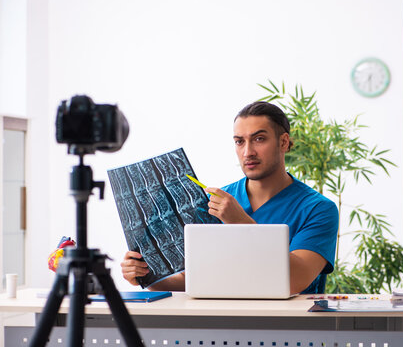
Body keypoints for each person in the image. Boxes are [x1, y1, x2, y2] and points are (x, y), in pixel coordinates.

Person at [121, 101, 339, 294]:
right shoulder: (212, 203)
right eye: (239, 142)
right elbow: (193, 280)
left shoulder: (318, 209)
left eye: (259, 139)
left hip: (291, 331)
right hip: (222, 328)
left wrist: (241, 223)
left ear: (283, 142)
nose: (248, 152)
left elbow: (294, 281)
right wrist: (145, 276)